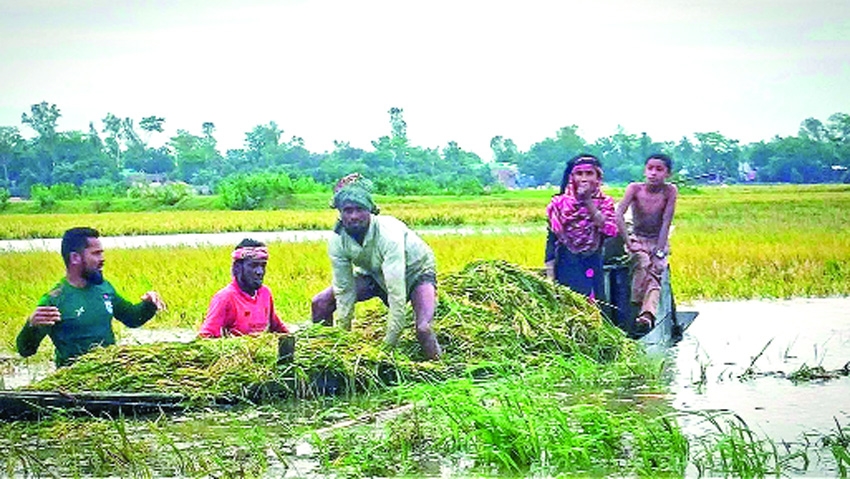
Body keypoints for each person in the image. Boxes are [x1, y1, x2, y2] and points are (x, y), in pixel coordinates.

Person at [311, 173, 441, 360]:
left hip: (415, 273)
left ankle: (438, 367)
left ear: (370, 211)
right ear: (340, 213)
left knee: (423, 328)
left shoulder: (388, 235)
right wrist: (342, 344)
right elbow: (344, 291)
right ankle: (324, 356)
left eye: (360, 209)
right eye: (348, 210)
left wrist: (386, 349)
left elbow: (396, 295)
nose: (354, 216)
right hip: (373, 273)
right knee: (321, 303)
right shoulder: (337, 240)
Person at [16, 227, 166, 367]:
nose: (102, 259)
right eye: (96, 253)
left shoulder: (104, 288)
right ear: (75, 257)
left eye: (101, 253)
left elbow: (132, 318)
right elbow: (26, 350)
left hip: (108, 371)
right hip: (75, 379)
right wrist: (31, 326)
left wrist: (149, 304)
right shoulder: (54, 300)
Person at [615, 153, 678, 331]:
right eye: (650, 168)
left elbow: (666, 221)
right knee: (642, 263)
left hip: (658, 239)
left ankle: (647, 315)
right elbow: (618, 214)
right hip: (637, 238)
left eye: (659, 169)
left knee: (656, 269)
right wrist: (629, 242)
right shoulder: (635, 189)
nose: (653, 173)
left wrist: (660, 250)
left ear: (667, 174)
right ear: (644, 171)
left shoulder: (670, 191)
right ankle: (637, 307)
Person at [544, 154, 618, 299]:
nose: (584, 179)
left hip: (593, 264)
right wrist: (550, 277)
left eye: (589, 173)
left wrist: (588, 201)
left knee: (595, 305)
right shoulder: (558, 205)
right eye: (579, 174)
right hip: (566, 265)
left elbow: (609, 229)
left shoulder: (605, 203)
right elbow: (552, 241)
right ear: (572, 177)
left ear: (598, 177)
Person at [198, 239, 290, 338]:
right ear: (238, 268)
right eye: (253, 266)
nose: (259, 272)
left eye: (263, 266)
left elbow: (278, 328)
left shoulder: (265, 294)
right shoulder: (225, 298)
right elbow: (205, 336)